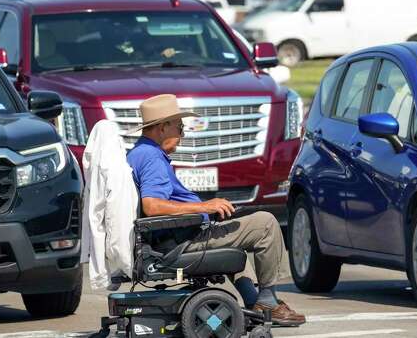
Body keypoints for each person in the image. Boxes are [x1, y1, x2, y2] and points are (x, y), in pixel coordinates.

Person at [126, 94, 306, 327]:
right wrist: (204, 206)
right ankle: (267, 301)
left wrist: (208, 210)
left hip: (173, 237)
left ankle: (255, 301)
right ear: (162, 128)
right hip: (178, 242)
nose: (182, 135)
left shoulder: (139, 152)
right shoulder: (152, 158)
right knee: (266, 223)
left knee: (234, 230)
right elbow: (152, 206)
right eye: (179, 128)